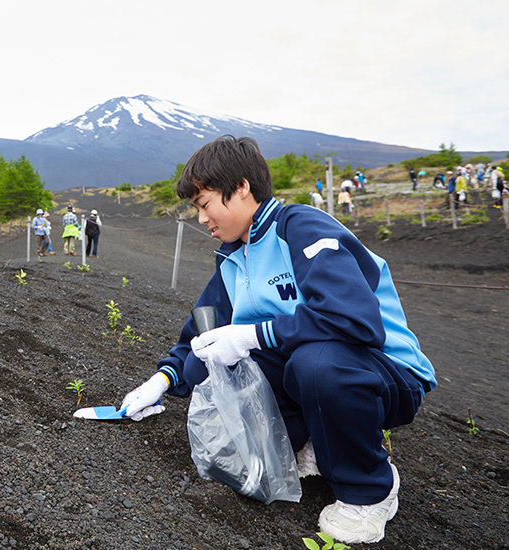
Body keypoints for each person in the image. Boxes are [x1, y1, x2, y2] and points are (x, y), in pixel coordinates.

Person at [118, 135, 434, 544]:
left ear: (242, 188)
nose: (201, 218)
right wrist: (160, 382)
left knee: (315, 363)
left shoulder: (301, 228)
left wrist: (252, 334)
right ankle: (314, 443)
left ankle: (369, 489)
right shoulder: (234, 257)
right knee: (212, 363)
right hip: (321, 366)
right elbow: (203, 335)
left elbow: (353, 321)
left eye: (204, 203)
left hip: (385, 373)